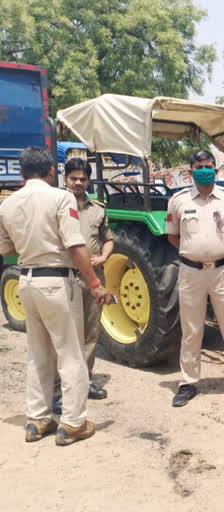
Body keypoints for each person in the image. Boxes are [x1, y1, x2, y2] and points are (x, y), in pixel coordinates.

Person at [0, 147, 112, 445]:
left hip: (27, 281)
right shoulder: (60, 198)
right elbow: (75, 245)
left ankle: (38, 420)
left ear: (22, 172)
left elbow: (5, 249)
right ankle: (73, 423)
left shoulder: (8, 205)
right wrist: (94, 283)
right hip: (56, 283)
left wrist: (31, 239)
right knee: (71, 353)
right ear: (52, 172)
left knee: (38, 354)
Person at [166, 150, 224, 407]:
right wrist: (196, 253)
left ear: (215, 168)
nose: (205, 170)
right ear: (191, 171)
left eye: (209, 166)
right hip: (191, 272)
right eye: (200, 166)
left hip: (223, 271)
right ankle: (188, 382)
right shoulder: (178, 201)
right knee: (191, 329)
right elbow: (173, 236)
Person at [52, 158, 114, 405]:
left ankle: (85, 379)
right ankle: (59, 387)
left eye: (83, 179)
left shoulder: (98, 208)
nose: (78, 183)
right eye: (73, 178)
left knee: (91, 331)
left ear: (89, 181)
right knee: (64, 333)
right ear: (65, 179)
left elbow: (108, 238)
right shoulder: (56, 205)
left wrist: (105, 256)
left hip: (94, 278)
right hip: (65, 275)